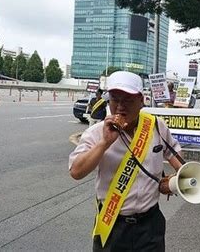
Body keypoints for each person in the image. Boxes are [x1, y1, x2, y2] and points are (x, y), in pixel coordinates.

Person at [69, 71, 183, 251]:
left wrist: (182, 178)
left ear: (141, 100)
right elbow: (76, 171)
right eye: (115, 99)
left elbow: (173, 153)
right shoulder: (96, 132)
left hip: (150, 224)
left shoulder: (156, 125)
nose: (120, 107)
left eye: (128, 100)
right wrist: (105, 142)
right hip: (113, 225)